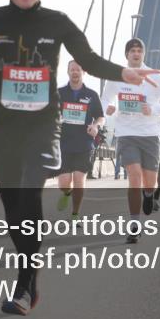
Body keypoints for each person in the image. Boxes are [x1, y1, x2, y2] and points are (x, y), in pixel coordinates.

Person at [0, 0, 156, 315]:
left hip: (43, 126)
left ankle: (24, 284)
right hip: (3, 130)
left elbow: (89, 60)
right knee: (14, 212)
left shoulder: (57, 22)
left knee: (29, 194)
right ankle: (30, 275)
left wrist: (124, 73)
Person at [103, 38, 160, 243]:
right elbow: (105, 98)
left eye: (139, 51)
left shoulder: (154, 76)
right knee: (134, 177)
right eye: (132, 50)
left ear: (143, 54)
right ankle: (134, 225)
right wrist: (108, 108)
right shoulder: (117, 75)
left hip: (150, 134)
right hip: (126, 134)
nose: (136, 54)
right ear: (127, 54)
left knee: (149, 182)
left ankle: (149, 194)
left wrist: (153, 109)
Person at [56, 60, 105, 220]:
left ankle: (75, 213)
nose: (75, 72)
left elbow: (100, 116)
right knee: (64, 183)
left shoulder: (92, 95)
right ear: (68, 72)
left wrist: (96, 126)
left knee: (79, 180)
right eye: (72, 69)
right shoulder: (59, 93)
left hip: (84, 143)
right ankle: (66, 193)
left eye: (78, 69)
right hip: (63, 144)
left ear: (83, 72)